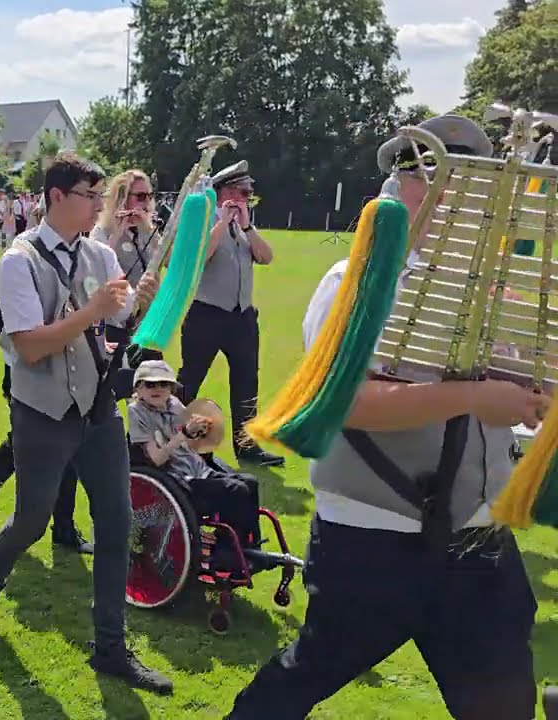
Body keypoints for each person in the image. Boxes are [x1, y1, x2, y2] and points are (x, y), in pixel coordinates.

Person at [227, 114, 539, 720]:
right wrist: (474, 397)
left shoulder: (497, 292)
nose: (447, 194)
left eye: (464, 180)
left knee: (504, 704)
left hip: (479, 543)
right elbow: (346, 405)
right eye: (427, 174)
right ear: (400, 188)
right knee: (295, 687)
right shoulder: (356, 281)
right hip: (372, 539)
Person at [0, 153, 173, 695]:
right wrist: (95, 307)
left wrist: (138, 305)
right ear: (57, 196)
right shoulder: (17, 260)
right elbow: (31, 346)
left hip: (98, 410)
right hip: (42, 412)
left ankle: (110, 647)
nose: (100, 206)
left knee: (115, 523)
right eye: (90, 195)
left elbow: (118, 322)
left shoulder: (100, 254)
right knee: (31, 521)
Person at [176, 161, 283, 467]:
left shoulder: (244, 225)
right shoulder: (205, 220)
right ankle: (171, 439)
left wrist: (246, 226)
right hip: (207, 315)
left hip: (242, 318)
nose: (246, 198)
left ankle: (247, 446)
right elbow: (200, 256)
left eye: (249, 193)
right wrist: (221, 222)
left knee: (247, 383)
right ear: (223, 191)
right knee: (189, 381)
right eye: (241, 192)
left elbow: (266, 256)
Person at [126, 360, 260, 554]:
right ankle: (227, 551)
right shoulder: (137, 412)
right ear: (139, 387)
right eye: (150, 384)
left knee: (250, 482)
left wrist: (202, 430)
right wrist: (185, 434)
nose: (157, 389)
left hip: (197, 470)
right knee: (237, 490)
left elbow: (192, 442)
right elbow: (156, 459)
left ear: (171, 388)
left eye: (163, 384)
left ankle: (249, 545)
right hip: (179, 481)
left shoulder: (173, 403)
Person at [89, 169, 164, 350]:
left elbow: (168, 261)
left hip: (147, 321)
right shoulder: (101, 231)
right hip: (116, 323)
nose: (146, 202)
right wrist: (119, 230)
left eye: (149, 196)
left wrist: (148, 228)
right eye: (140, 196)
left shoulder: (147, 229)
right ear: (122, 197)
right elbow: (98, 265)